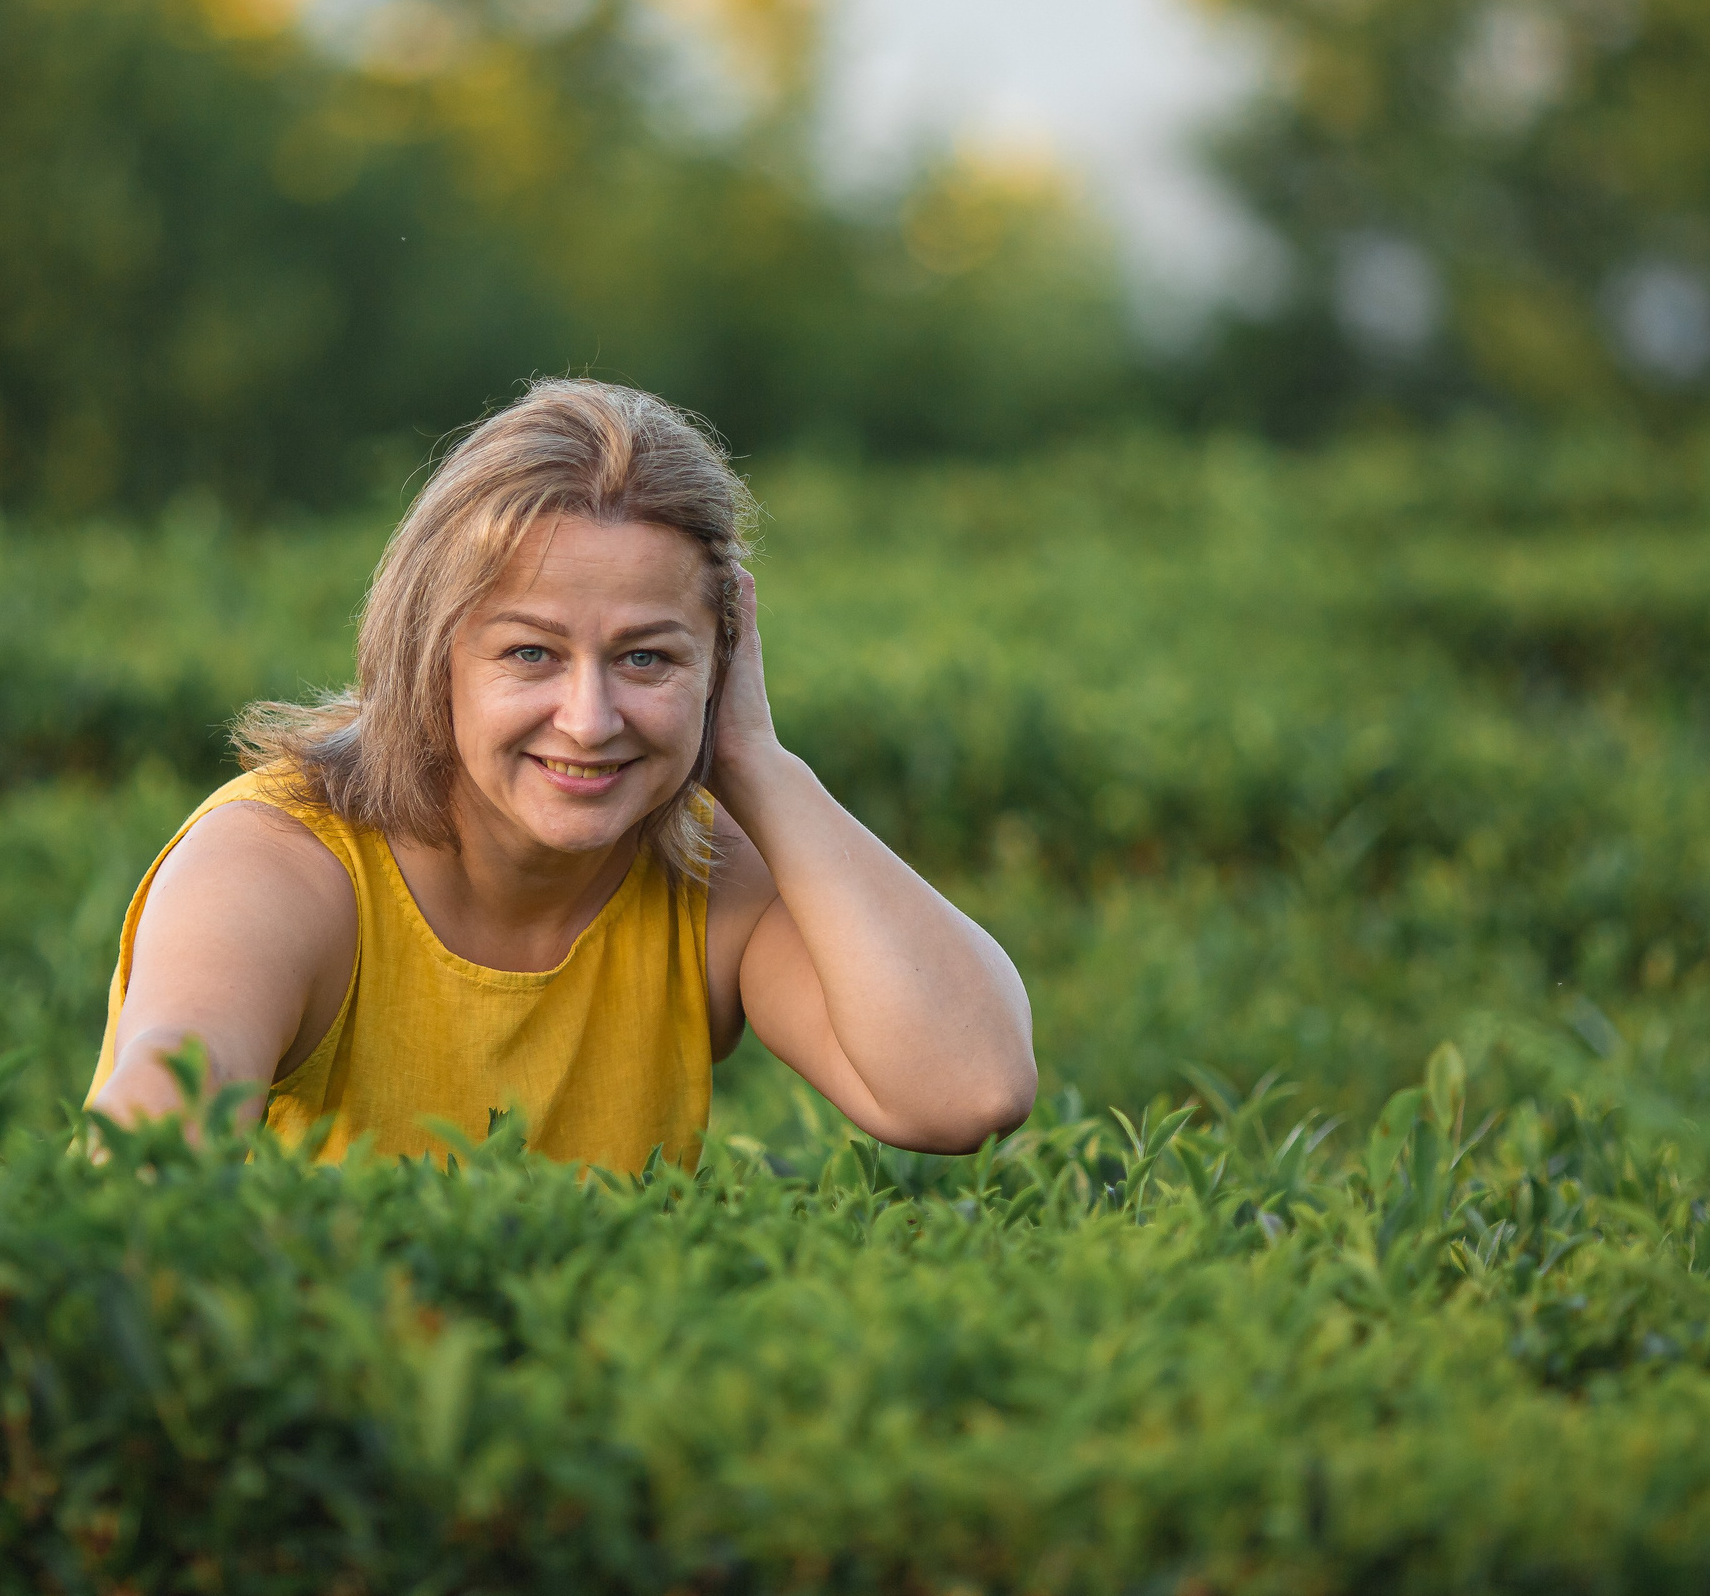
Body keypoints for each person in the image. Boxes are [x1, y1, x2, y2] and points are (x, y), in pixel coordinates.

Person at [85, 380, 1033, 1170]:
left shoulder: (709, 876)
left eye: (647, 658)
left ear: (721, 663)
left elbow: (968, 1091)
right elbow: (151, 1142)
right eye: (531, 653)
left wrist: (757, 762)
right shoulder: (278, 864)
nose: (590, 719)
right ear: (431, 655)